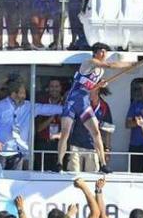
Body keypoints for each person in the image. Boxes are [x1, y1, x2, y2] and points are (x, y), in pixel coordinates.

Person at [54, 42, 135, 174]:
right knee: (65, 133)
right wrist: (131, 64)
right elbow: (110, 65)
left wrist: (99, 85)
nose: (104, 54)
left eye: (105, 52)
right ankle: (59, 163)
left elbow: (90, 88)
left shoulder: (100, 71)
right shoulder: (89, 62)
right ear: (96, 53)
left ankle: (103, 164)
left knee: (96, 132)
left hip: (84, 103)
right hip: (72, 102)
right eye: (102, 51)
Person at [0, 80, 62, 170]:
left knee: (15, 181)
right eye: (22, 93)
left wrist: (66, 109)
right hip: (0, 152)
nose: (24, 96)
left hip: (18, 151)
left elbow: (46, 108)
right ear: (13, 93)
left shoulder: (28, 106)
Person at [68, 88, 113, 173]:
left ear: (98, 90)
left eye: (90, 90)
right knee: (73, 174)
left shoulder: (104, 106)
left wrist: (107, 148)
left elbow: (108, 129)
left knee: (92, 175)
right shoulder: (82, 104)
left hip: (93, 147)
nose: (87, 93)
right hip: (76, 144)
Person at [34, 78, 64, 171]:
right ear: (48, 88)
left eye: (56, 86)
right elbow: (38, 129)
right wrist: (52, 116)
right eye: (51, 86)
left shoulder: (66, 103)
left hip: (59, 145)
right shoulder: (42, 104)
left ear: (60, 88)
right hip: (43, 144)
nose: (54, 89)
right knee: (40, 174)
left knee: (57, 175)